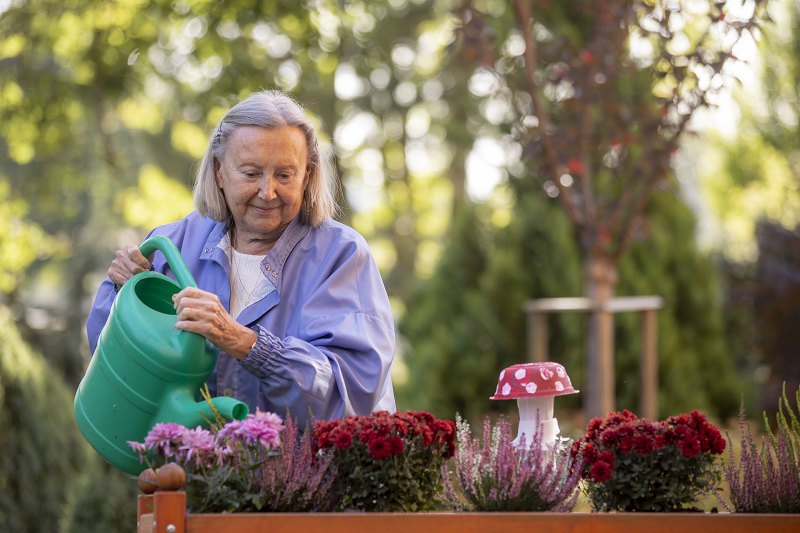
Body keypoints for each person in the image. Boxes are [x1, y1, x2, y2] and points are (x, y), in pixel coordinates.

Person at [86, 90, 396, 427]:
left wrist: (243, 342)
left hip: (304, 477)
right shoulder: (175, 244)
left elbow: (348, 394)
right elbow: (117, 366)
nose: (267, 191)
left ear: (307, 175)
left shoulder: (342, 256)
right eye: (250, 173)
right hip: (190, 475)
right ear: (219, 171)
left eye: (285, 175)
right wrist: (122, 292)